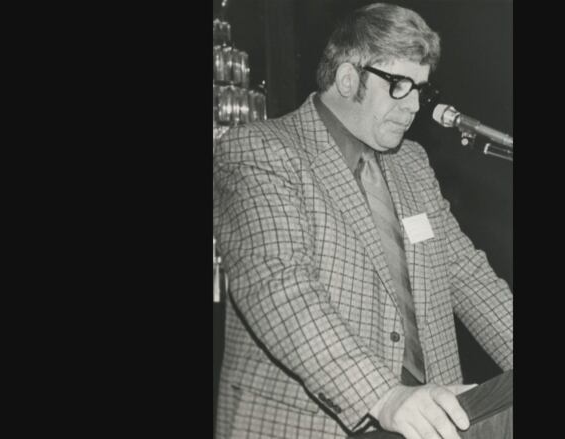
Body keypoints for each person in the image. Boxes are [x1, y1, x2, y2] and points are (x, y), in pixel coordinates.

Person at [213, 3, 513, 438]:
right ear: (348, 77)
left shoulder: (412, 163)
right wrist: (384, 396)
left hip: (433, 422)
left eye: (421, 89)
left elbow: (467, 276)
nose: (413, 105)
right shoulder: (259, 151)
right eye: (399, 85)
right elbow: (278, 288)